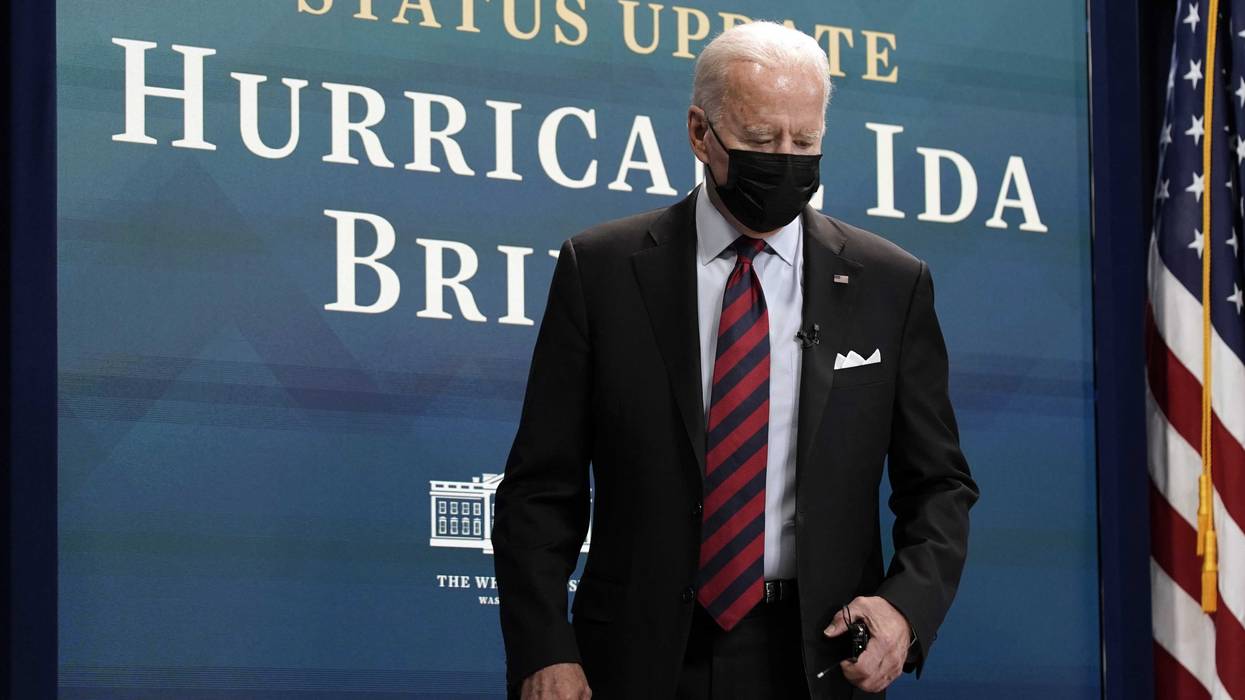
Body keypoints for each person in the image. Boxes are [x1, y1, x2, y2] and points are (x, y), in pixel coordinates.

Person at [491, 20, 979, 700]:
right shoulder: (601, 271)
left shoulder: (888, 284)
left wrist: (905, 608)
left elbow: (938, 486)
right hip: (633, 658)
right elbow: (539, 491)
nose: (784, 157)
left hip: (818, 656)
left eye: (803, 142)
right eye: (758, 140)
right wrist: (544, 649)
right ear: (700, 132)